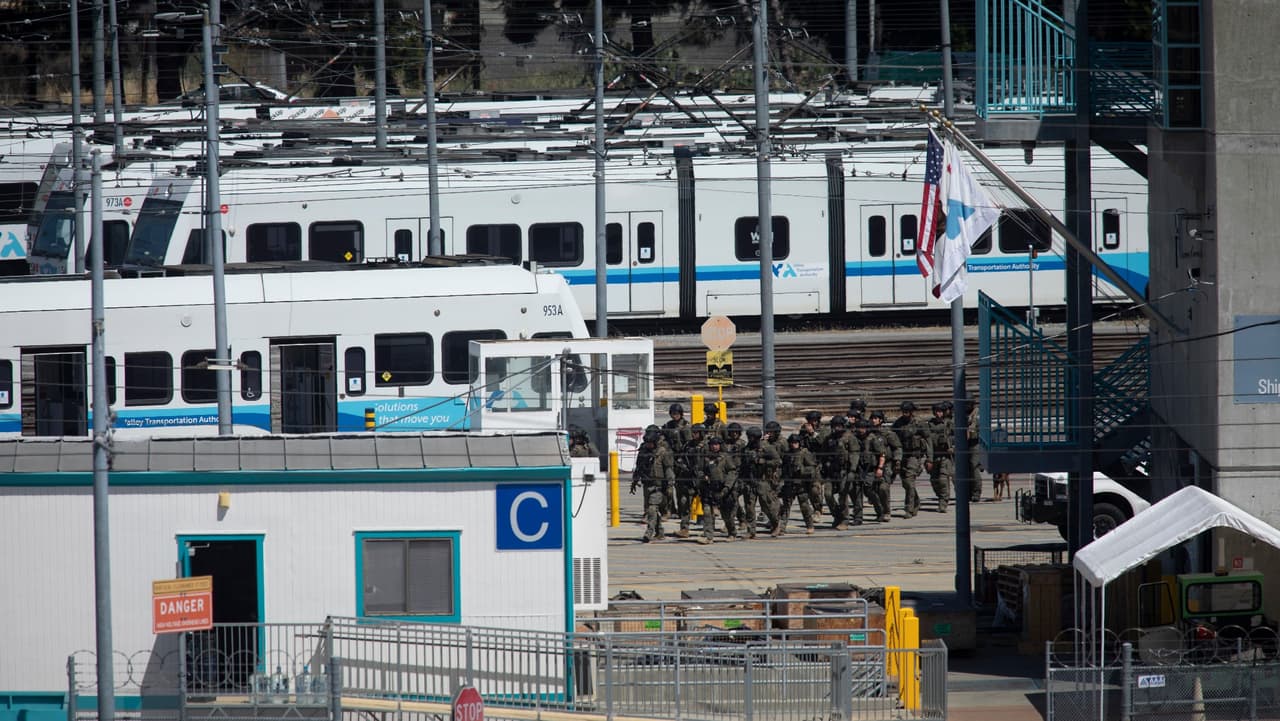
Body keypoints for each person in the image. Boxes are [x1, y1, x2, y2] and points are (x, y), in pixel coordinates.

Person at [631, 430, 674, 542]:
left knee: (651, 508)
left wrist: (670, 485)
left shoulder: (662, 453)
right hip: (647, 485)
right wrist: (634, 482)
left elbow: (668, 469)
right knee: (653, 510)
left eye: (650, 442)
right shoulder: (643, 452)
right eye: (647, 442)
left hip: (658, 486)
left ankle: (649, 533)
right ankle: (659, 532)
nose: (648, 445)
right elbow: (638, 467)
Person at [741, 425, 783, 538]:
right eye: (749, 437)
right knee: (749, 507)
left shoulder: (767, 448)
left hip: (763, 481)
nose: (750, 439)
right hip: (750, 481)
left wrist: (762, 461)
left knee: (767, 506)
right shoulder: (747, 449)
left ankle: (776, 524)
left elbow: (777, 461)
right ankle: (751, 531)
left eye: (752, 437)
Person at [892, 401, 930, 518]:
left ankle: (909, 508)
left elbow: (928, 440)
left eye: (907, 411)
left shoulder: (919, 423)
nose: (905, 413)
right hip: (902, 456)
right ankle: (916, 501)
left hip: (915, 456)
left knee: (909, 481)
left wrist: (930, 458)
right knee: (906, 484)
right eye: (904, 411)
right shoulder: (898, 424)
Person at [697, 435, 738, 544]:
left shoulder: (725, 458)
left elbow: (732, 472)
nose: (714, 447)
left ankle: (732, 532)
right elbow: (699, 470)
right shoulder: (705, 458)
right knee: (707, 512)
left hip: (723, 489)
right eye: (712, 445)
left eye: (716, 444)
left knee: (726, 515)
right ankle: (709, 536)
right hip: (709, 489)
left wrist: (727, 487)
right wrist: (703, 477)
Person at [673, 423, 708, 538]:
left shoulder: (707, 446)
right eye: (693, 432)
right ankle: (684, 528)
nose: (694, 434)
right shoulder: (688, 445)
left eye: (696, 432)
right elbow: (680, 458)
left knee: (706, 506)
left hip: (703, 480)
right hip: (689, 479)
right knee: (684, 503)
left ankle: (708, 530)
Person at [819, 415, 854, 529]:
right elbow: (823, 454)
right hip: (831, 471)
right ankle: (837, 516)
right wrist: (823, 467)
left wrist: (852, 470)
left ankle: (845, 520)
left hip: (844, 471)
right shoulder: (829, 438)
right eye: (835, 426)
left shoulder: (849, 438)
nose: (836, 428)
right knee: (828, 495)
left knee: (843, 496)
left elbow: (855, 454)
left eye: (839, 426)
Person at [780, 433, 818, 534]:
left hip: (801, 485)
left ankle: (810, 525)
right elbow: (783, 468)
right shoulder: (787, 454)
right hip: (789, 484)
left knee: (805, 507)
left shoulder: (804, 453)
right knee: (786, 507)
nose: (794, 445)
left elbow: (813, 469)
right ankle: (781, 527)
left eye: (796, 443)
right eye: (792, 443)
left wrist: (801, 470)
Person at [853, 418, 888, 522]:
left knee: (869, 491)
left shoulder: (873, 439)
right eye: (859, 427)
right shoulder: (855, 439)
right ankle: (858, 517)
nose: (861, 430)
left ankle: (880, 511)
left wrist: (880, 468)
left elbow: (882, 454)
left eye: (863, 428)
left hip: (870, 469)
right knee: (857, 492)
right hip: (858, 468)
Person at [869, 411, 900, 521]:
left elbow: (897, 447)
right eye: (872, 418)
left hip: (886, 464)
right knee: (871, 490)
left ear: (881, 420)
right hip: (871, 465)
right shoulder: (868, 433)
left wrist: (897, 461)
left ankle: (886, 511)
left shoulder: (888, 434)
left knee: (883, 488)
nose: (874, 420)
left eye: (876, 418)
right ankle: (879, 511)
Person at [927, 402, 955, 513]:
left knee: (943, 479)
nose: (938, 414)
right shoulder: (930, 425)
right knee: (934, 481)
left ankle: (943, 502)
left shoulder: (949, 424)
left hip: (946, 456)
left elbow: (959, 437)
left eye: (940, 411)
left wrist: (953, 448)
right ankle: (941, 496)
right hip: (934, 456)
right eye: (936, 411)